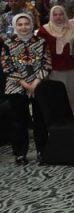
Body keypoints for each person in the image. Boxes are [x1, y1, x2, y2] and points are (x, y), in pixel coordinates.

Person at [2, 13, 50, 165]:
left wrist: (35, 83)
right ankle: (20, 153)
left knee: (40, 120)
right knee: (18, 121)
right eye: (20, 24)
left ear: (32, 25)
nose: (24, 27)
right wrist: (23, 83)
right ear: (15, 26)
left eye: (26, 24)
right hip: (16, 86)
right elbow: (6, 65)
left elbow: (47, 63)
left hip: (38, 85)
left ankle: (43, 151)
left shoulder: (41, 42)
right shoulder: (8, 43)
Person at [37, 4, 74, 115]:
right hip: (53, 65)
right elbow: (40, 49)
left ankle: (73, 110)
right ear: (51, 16)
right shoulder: (44, 30)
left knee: (72, 89)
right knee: (56, 91)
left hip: (71, 64)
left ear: (65, 15)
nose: (58, 17)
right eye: (55, 15)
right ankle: (60, 114)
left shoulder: (72, 27)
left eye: (61, 14)